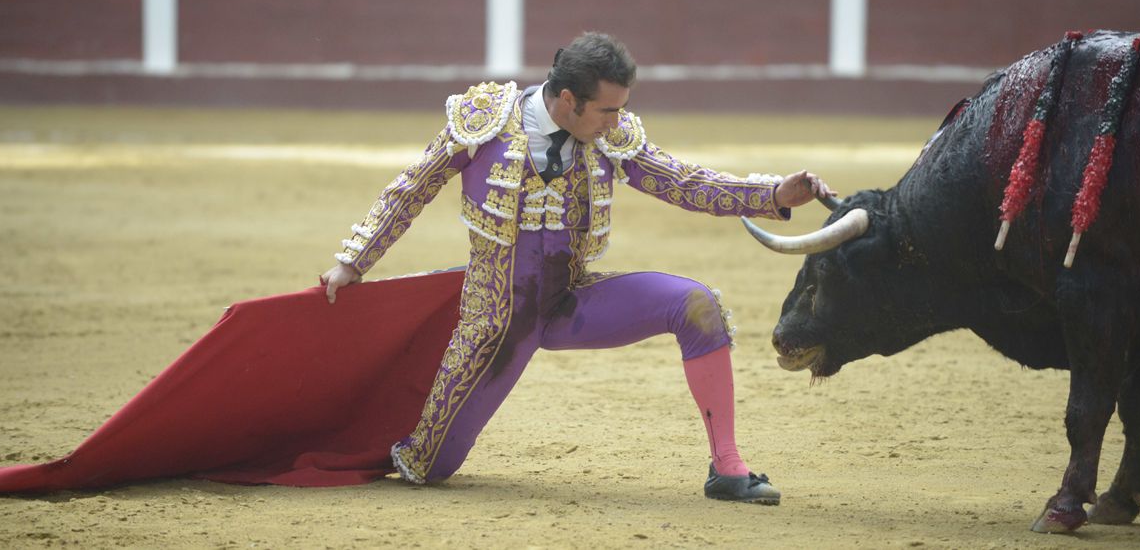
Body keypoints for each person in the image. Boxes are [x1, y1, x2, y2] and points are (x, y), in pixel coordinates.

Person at [321, 32, 835, 503]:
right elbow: (413, 187)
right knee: (427, 467)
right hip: (495, 324)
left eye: (621, 110)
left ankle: (727, 467)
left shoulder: (611, 133)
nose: (616, 122)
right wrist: (353, 261)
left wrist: (769, 194)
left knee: (697, 305)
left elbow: (681, 181)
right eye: (607, 111)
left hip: (572, 303)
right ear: (568, 100)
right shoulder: (483, 120)